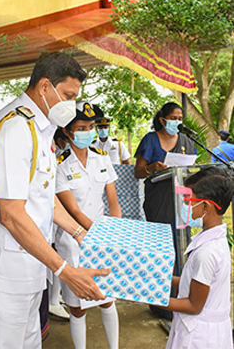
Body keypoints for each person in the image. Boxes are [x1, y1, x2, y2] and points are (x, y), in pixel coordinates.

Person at [0, 52, 109, 349]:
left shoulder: (40, 129)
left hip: (29, 263)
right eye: (68, 95)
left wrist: (81, 234)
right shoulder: (15, 129)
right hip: (1, 269)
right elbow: (11, 215)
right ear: (44, 87)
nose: (72, 104)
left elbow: (44, 197)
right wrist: (65, 271)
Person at [54, 101, 122, 349]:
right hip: (74, 243)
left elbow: (113, 201)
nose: (88, 132)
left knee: (107, 299)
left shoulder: (102, 159)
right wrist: (99, 234)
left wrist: (114, 231)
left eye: (91, 126)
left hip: (104, 238)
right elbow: (72, 210)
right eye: (82, 127)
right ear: (68, 132)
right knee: (78, 306)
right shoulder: (60, 164)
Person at [165, 167, 234, 349]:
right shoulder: (216, 239)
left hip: (200, 337)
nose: (184, 206)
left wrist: (152, 298)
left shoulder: (207, 253)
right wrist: (164, 280)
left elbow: (193, 305)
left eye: (188, 201)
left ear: (205, 207)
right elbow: (194, 283)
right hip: (207, 330)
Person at [134, 103, 196, 267]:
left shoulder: (186, 141)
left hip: (180, 199)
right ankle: (161, 285)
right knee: (160, 246)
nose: (177, 122)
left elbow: (191, 168)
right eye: (173, 118)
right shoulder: (150, 139)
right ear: (162, 120)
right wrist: (152, 168)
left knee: (181, 242)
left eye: (180, 119)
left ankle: (179, 286)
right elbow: (138, 172)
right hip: (158, 200)